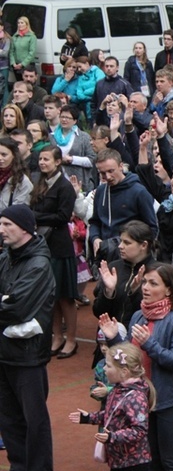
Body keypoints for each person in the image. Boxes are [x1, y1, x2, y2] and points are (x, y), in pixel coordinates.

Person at [99, 263, 173, 471]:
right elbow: (129, 361)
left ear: (169, 290)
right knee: (151, 459)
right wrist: (113, 341)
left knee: (171, 460)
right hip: (143, 402)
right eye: (145, 282)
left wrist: (149, 344)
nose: (146, 288)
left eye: (153, 283)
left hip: (171, 402)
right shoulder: (138, 317)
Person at [0, 204, 56, 471]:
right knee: (9, 418)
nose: (1, 230)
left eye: (7, 224)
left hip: (28, 355)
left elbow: (17, 307)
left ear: (24, 228)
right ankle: (19, 470)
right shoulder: (7, 258)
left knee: (34, 420)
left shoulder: (39, 265)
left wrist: (7, 300)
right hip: (4, 352)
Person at [68, 343, 154, 471]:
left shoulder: (135, 398)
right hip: (118, 457)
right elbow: (111, 415)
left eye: (108, 366)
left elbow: (140, 430)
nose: (104, 369)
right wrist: (88, 418)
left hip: (133, 461)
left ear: (124, 372)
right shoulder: (117, 389)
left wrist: (112, 437)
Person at [30, 146, 79, 358]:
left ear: (58, 161)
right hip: (43, 246)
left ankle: (71, 340)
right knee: (51, 294)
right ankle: (56, 336)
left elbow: (62, 217)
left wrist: (35, 216)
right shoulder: (39, 183)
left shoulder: (64, 187)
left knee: (65, 296)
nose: (42, 163)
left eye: (47, 159)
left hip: (60, 246)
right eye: (40, 159)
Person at [0, 136, 32, 210]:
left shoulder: (22, 181)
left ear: (14, 156)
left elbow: (17, 212)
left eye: (4, 155)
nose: (0, 158)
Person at [9, 17, 36, 82]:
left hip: (27, 65)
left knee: (27, 85)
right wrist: (13, 63)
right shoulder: (15, 36)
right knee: (19, 83)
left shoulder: (32, 37)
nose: (20, 24)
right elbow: (11, 51)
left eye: (22, 23)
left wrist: (22, 64)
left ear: (26, 24)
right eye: (18, 23)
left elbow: (32, 52)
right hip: (16, 65)